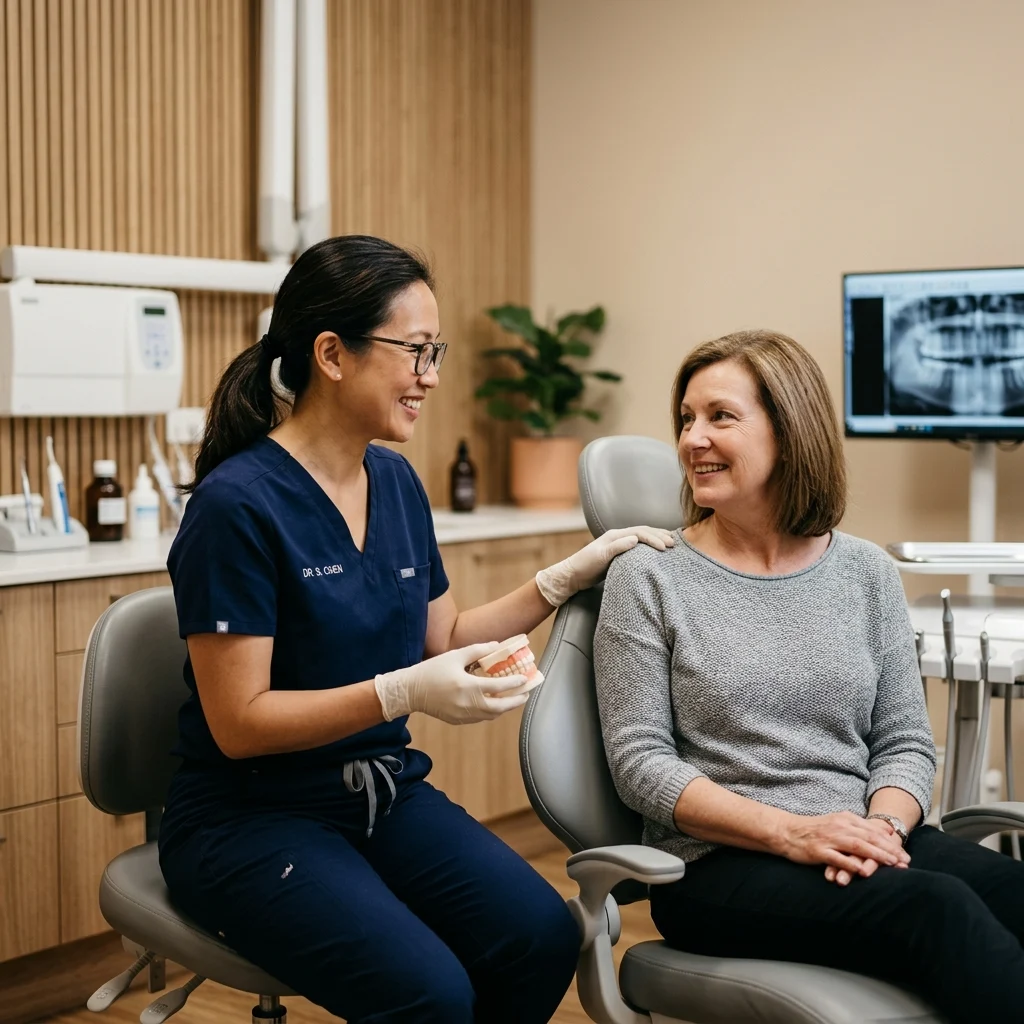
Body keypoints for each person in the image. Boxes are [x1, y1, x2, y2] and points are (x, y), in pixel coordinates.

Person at [157, 234, 674, 1024]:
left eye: (436, 353)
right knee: (427, 994)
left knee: (539, 937)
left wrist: (565, 576)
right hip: (247, 820)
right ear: (332, 354)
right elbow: (240, 725)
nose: (430, 377)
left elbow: (445, 638)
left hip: (379, 795)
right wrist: (399, 692)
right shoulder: (238, 508)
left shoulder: (394, 483)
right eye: (416, 352)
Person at [593, 328, 1024, 1024]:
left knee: (1012, 891)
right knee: (939, 911)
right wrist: (793, 833)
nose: (692, 439)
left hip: (863, 839)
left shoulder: (866, 573)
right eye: (686, 418)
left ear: (789, 434)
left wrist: (880, 828)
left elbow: (905, 742)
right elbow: (640, 765)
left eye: (720, 417)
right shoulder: (648, 577)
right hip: (718, 867)